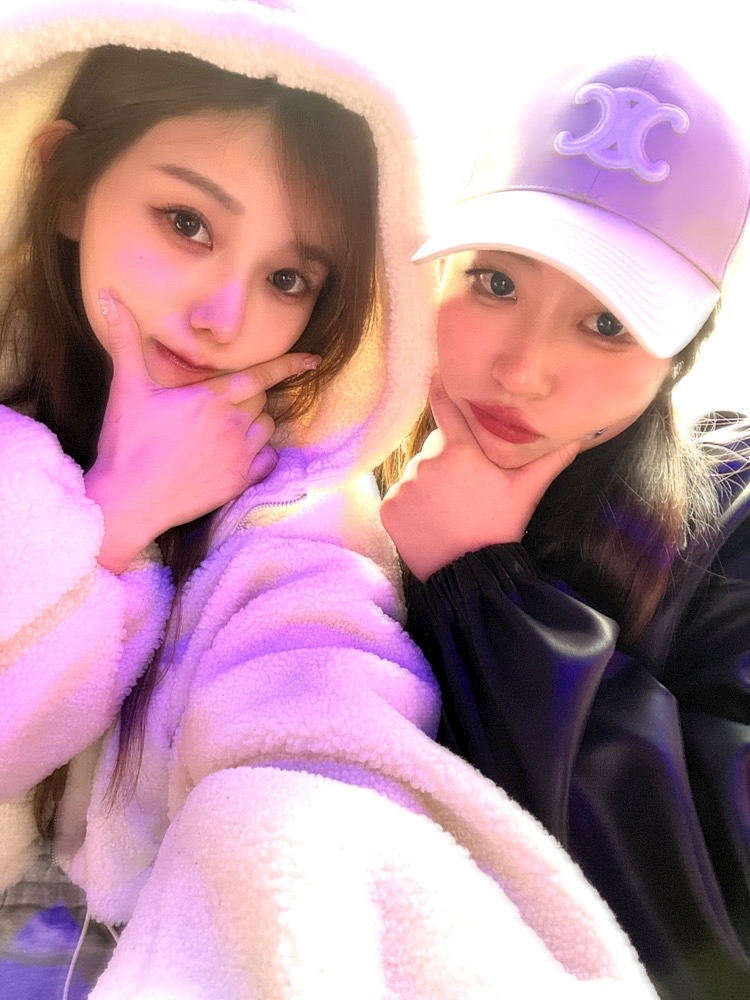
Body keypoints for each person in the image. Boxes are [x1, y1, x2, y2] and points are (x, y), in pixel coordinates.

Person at [0, 2, 660, 997]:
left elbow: (320, 756)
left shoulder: (292, 519)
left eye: (288, 277)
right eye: (186, 224)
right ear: (67, 183)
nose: (224, 316)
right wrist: (117, 517)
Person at [380, 52, 750, 1000]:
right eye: (496, 283)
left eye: (608, 324)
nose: (523, 371)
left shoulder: (733, 523)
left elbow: (718, 931)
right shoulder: (318, 468)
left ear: (678, 356)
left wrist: (489, 592)